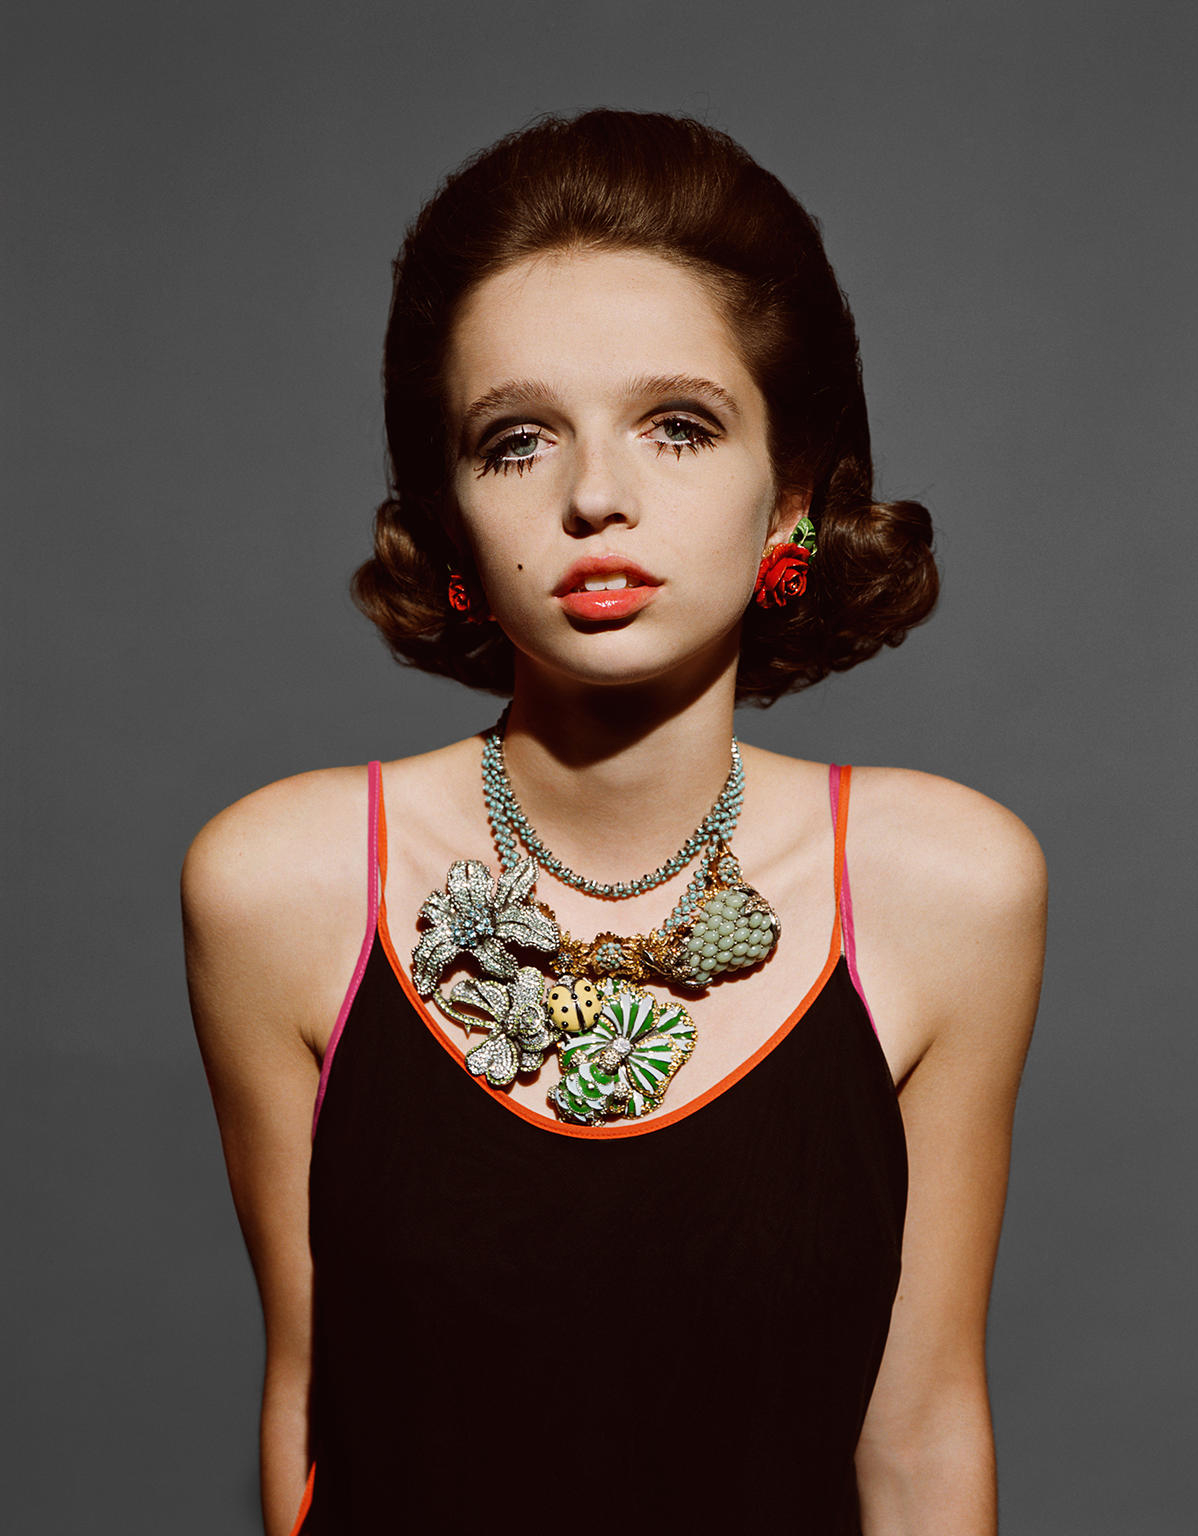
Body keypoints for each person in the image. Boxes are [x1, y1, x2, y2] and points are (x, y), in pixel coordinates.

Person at [182, 109, 1046, 1536]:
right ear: (450, 521)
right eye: (516, 441)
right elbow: (314, 1416)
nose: (596, 497)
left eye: (678, 427)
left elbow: (920, 1439)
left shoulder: (945, 885)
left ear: (792, 494)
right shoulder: (280, 883)